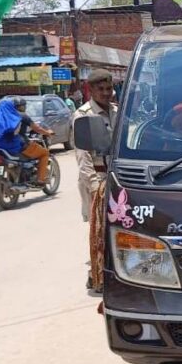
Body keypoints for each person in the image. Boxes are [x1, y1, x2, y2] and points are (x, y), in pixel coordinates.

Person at [74, 69, 117, 291]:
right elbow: (83, 158)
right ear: (91, 90)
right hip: (98, 178)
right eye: (100, 89)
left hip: (117, 177)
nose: (106, 93)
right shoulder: (84, 115)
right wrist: (95, 187)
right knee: (99, 230)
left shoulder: (117, 112)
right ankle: (97, 275)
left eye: (108, 88)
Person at [12, 97, 55, 185]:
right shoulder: (23, 116)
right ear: (23, 106)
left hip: (6, 146)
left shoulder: (6, 115)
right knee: (44, 153)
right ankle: (40, 179)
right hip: (21, 144)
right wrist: (47, 133)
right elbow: (37, 128)